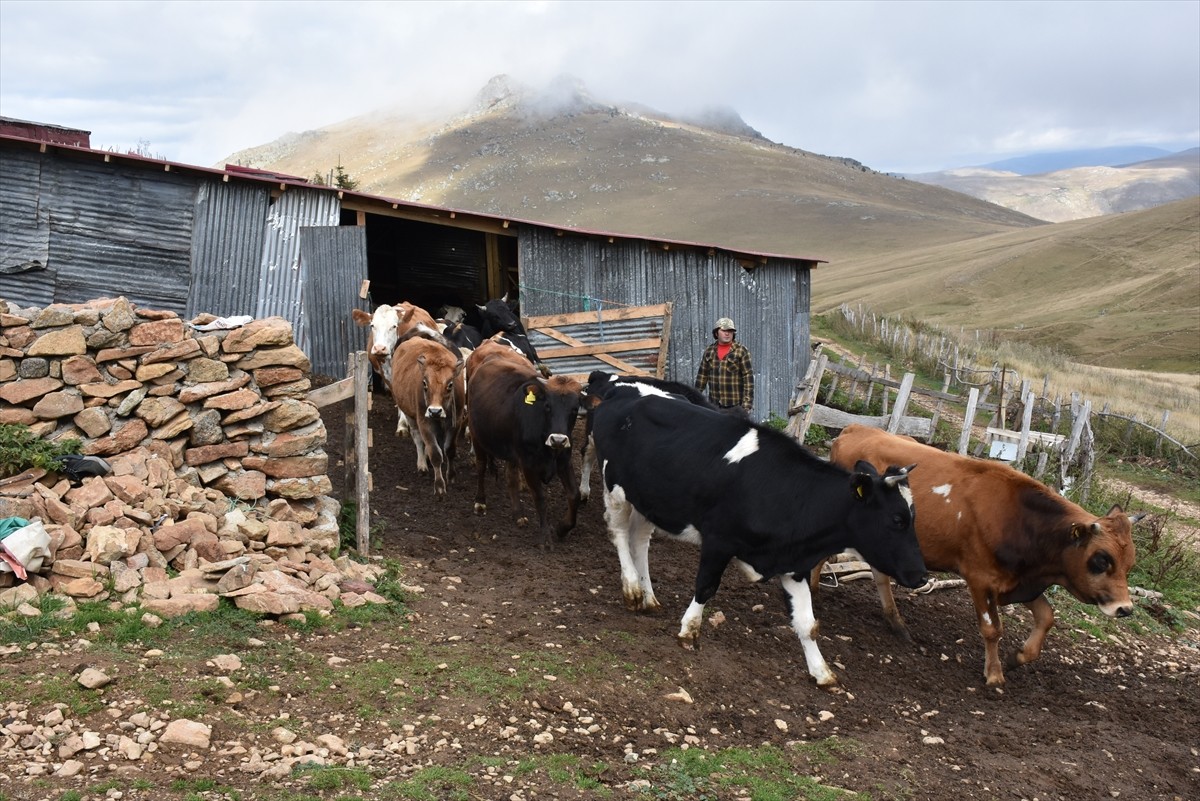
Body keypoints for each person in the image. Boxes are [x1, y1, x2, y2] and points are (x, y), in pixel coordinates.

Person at [695, 316, 753, 415]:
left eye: (730, 331)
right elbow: (702, 377)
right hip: (714, 404)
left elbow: (748, 379)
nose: (727, 333)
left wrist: (746, 405)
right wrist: (694, 398)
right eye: (724, 330)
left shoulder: (741, 351)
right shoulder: (709, 351)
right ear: (716, 333)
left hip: (735, 405)